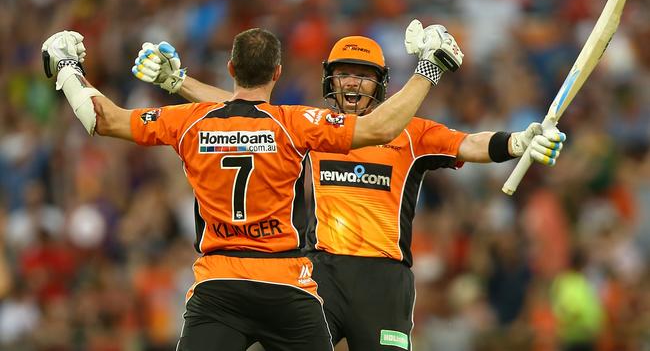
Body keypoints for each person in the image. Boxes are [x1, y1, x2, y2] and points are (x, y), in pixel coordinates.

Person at [130, 27, 565, 350]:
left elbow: (470, 143)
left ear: (379, 82)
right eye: (344, 75)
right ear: (330, 80)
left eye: (363, 76)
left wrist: (518, 142)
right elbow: (239, 108)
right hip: (320, 275)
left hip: (384, 280)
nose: (353, 84)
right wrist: (178, 82)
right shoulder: (307, 128)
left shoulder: (410, 132)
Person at [41, 22, 462, 351]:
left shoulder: (190, 120)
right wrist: (429, 68)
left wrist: (67, 68)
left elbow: (104, 119)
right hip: (287, 286)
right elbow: (381, 127)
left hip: (217, 283)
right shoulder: (294, 123)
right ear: (277, 73)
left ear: (230, 69)